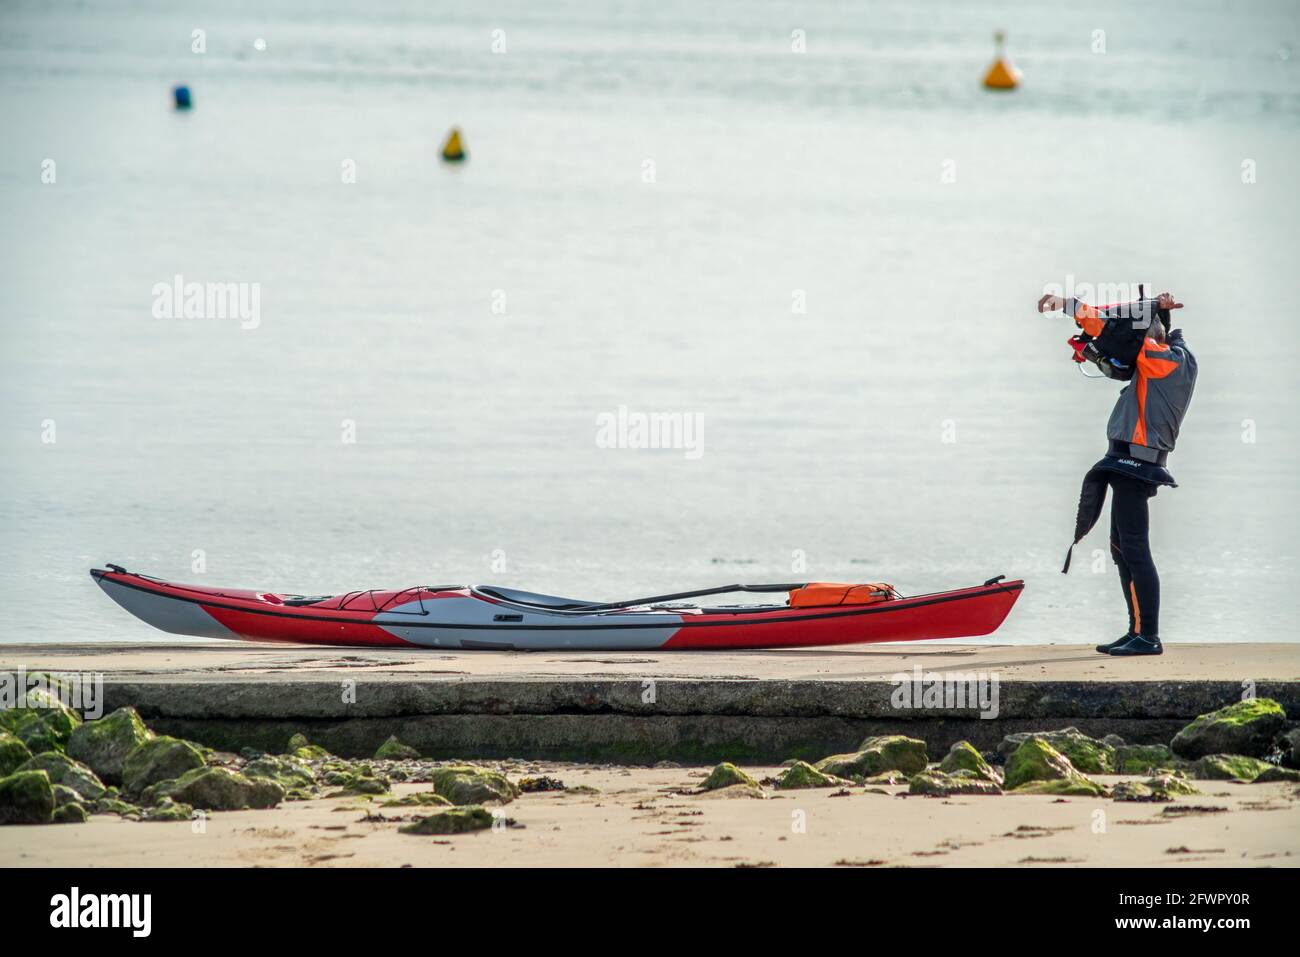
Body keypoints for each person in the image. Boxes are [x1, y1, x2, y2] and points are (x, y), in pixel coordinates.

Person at [1037, 290, 1197, 656]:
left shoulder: (1161, 359)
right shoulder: (1177, 357)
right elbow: (1124, 335)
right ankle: (1137, 630)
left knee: (1135, 548)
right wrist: (1152, 308)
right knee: (1122, 547)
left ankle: (1149, 637)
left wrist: (1069, 305)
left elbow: (1108, 326)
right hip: (1132, 462)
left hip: (1135, 465)